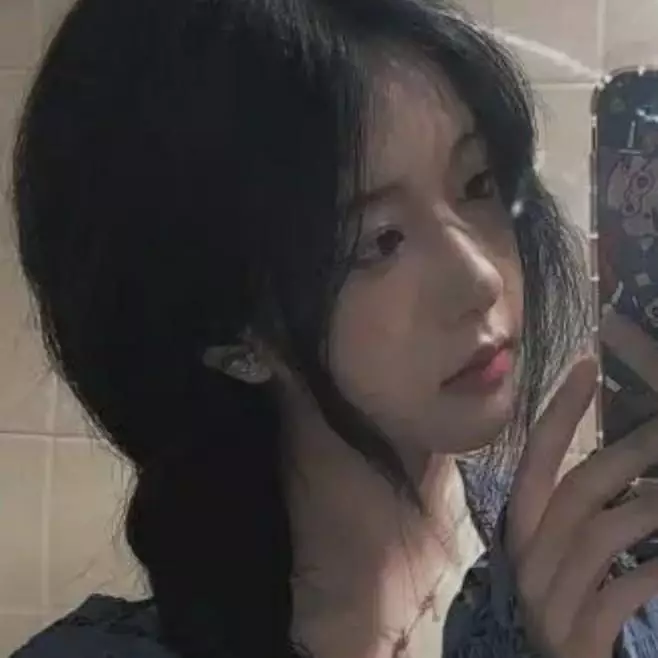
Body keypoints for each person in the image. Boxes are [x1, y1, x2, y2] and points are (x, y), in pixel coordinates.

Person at [9, 1, 658, 657]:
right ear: (233, 336)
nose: (481, 278)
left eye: (478, 182)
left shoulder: (607, 578)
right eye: (380, 241)